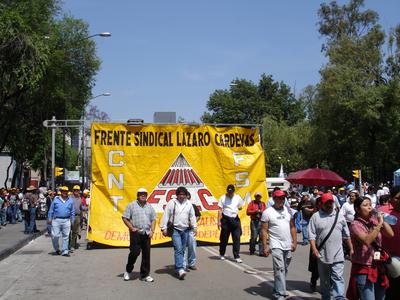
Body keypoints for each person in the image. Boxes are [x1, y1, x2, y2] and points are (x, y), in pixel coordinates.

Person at [347, 196, 394, 300]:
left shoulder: (374, 221)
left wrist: (383, 220)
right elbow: (367, 241)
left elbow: (390, 234)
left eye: (370, 205)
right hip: (363, 268)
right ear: (357, 209)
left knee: (381, 297)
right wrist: (379, 225)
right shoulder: (355, 224)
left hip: (378, 266)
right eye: (365, 205)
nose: (369, 208)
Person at [309, 193, 354, 300]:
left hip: (338, 253)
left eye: (331, 202)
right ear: (321, 204)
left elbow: (346, 235)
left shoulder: (340, 216)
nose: (329, 205)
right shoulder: (315, 217)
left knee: (337, 277)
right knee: (324, 280)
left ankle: (339, 297)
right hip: (322, 254)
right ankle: (326, 297)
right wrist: (314, 250)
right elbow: (312, 235)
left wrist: (351, 249)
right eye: (327, 203)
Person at [261, 189, 297, 300]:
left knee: (284, 268)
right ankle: (281, 293)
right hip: (275, 244)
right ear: (274, 199)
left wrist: (294, 242)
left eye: (283, 198)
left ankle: (277, 288)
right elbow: (264, 230)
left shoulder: (288, 211)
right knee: (280, 268)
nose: (281, 200)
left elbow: (292, 227)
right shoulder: (267, 212)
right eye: (278, 198)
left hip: (287, 244)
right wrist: (265, 246)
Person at [161, 186, 197, 280]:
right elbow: (166, 215)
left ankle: (180, 266)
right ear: (177, 195)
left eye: (183, 194)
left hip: (185, 229)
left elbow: (192, 216)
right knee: (178, 248)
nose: (182, 196)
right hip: (175, 229)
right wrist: (163, 228)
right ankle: (180, 269)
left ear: (186, 195)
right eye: (180, 194)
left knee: (183, 249)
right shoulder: (172, 203)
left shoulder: (189, 204)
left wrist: (195, 227)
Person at [122, 187, 156, 282]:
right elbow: (124, 218)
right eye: (141, 194)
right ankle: (128, 271)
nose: (143, 195)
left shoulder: (149, 206)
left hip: (146, 233)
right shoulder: (131, 205)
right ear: (137, 195)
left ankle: (145, 275)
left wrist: (152, 231)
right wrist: (131, 228)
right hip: (136, 233)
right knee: (135, 252)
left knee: (146, 255)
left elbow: (153, 219)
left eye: (145, 194)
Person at [379, 185, 400, 299]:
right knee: (390, 291)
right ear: (391, 198)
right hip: (388, 260)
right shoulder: (382, 212)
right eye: (398, 198)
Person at [217, 184, 244, 263]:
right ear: (227, 191)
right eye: (228, 192)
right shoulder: (223, 197)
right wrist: (218, 221)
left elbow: (240, 206)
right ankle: (222, 253)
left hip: (235, 219)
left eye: (231, 192)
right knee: (224, 238)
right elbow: (220, 210)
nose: (230, 194)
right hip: (225, 219)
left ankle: (237, 256)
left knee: (236, 238)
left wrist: (238, 208)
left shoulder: (237, 197)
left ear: (233, 191)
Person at [47, 186, 75, 256]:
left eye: (66, 191)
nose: (64, 192)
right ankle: (56, 249)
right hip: (56, 220)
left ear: (67, 192)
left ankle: (65, 250)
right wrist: (49, 218)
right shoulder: (56, 200)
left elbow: (72, 211)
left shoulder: (70, 200)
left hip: (66, 220)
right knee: (55, 235)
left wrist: (72, 220)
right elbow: (51, 210)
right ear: (61, 192)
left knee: (66, 236)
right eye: (63, 191)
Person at [184, 192, 201, 271]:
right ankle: (183, 265)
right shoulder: (179, 206)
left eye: (187, 196)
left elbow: (198, 215)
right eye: (184, 196)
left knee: (192, 247)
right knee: (182, 248)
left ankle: (191, 264)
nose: (186, 197)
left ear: (189, 197)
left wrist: (193, 223)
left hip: (191, 230)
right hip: (182, 229)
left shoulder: (192, 206)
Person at [247, 191, 266, 256]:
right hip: (254, 221)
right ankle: (252, 249)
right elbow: (248, 212)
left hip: (262, 221)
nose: (258, 197)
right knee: (254, 237)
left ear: (261, 197)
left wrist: (262, 212)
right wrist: (255, 211)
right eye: (257, 196)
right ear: (255, 197)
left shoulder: (263, 203)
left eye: (259, 196)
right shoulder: (252, 203)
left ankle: (261, 251)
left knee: (261, 237)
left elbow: (266, 212)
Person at [69, 185, 83, 251]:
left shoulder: (80, 198)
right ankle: (69, 244)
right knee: (69, 231)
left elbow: (81, 208)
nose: (76, 191)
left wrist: (87, 208)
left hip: (77, 216)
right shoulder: (69, 198)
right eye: (75, 190)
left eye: (77, 190)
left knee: (75, 232)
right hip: (70, 216)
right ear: (73, 191)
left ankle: (72, 245)